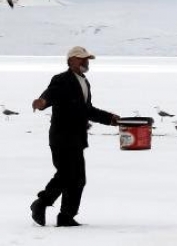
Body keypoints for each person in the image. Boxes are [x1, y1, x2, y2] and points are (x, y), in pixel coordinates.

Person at [30, 46, 119, 227]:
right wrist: (42, 102)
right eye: (81, 58)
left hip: (77, 138)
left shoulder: (84, 82)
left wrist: (110, 119)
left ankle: (66, 216)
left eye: (87, 59)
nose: (85, 61)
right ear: (70, 61)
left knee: (78, 179)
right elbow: (50, 94)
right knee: (66, 175)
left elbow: (88, 110)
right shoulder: (61, 79)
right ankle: (41, 203)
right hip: (61, 137)